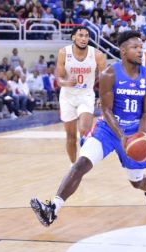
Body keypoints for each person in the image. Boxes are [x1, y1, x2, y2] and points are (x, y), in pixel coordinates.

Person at [30, 31, 146, 227]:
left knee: (136, 182)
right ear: (123, 51)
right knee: (80, 164)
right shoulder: (109, 74)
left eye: (141, 47)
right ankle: (52, 210)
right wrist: (121, 136)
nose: (140, 51)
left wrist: (138, 135)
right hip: (108, 130)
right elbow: (106, 110)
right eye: (135, 48)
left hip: (134, 131)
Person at [55, 26, 107, 164]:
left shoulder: (97, 55)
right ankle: (73, 166)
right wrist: (66, 82)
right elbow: (59, 79)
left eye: (86, 36)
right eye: (81, 35)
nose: (84, 39)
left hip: (86, 95)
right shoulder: (63, 53)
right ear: (73, 37)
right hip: (67, 96)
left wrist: (102, 96)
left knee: (84, 130)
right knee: (71, 137)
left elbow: (106, 78)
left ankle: (83, 164)